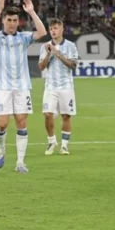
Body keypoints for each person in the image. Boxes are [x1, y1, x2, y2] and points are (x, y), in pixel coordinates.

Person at [0, 0, 47, 173]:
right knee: (3, 123)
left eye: (15, 20)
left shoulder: (24, 37)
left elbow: (42, 33)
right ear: (3, 20)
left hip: (22, 86)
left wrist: (32, 12)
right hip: (2, 86)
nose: (12, 23)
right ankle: (1, 147)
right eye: (9, 19)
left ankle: (20, 162)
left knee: (21, 121)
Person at [38, 19, 78, 156]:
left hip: (66, 86)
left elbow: (73, 65)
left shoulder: (71, 46)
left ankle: (65, 146)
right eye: (51, 29)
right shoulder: (45, 47)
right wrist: (48, 54)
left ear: (62, 30)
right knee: (47, 114)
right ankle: (51, 141)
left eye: (55, 28)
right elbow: (41, 67)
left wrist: (58, 54)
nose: (53, 31)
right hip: (51, 86)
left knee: (66, 116)